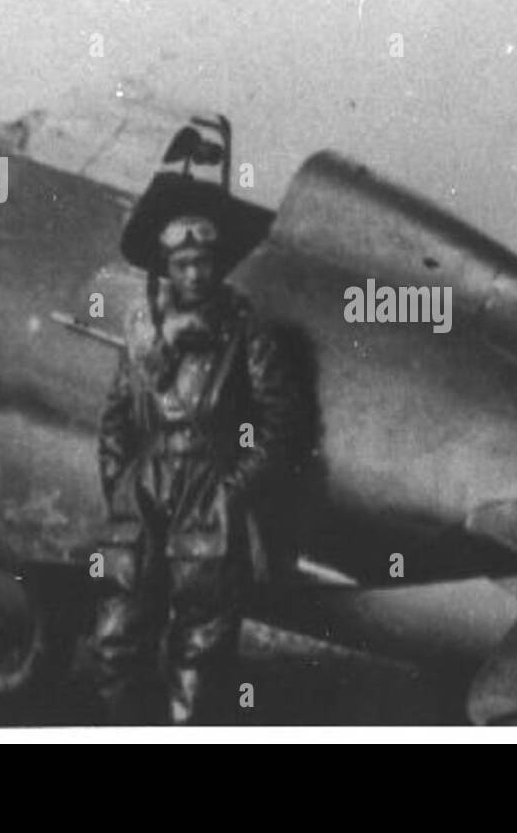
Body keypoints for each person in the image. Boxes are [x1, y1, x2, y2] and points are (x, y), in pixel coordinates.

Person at [93, 172, 308, 724]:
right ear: (165, 269)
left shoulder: (246, 333)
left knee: (201, 651)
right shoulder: (143, 332)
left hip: (209, 490)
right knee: (118, 636)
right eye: (182, 265)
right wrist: (121, 486)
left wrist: (231, 495)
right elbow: (116, 418)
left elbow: (279, 428)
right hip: (144, 489)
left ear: (219, 264)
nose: (194, 274)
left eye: (204, 262)